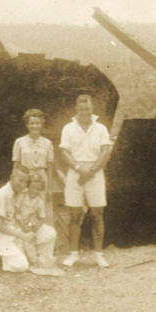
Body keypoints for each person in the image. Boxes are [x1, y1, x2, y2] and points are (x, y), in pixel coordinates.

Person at [59, 94, 112, 268]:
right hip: (76, 172)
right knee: (74, 214)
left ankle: (98, 255)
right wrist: (79, 168)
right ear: (76, 109)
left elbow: (105, 152)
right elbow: (65, 152)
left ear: (92, 109)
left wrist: (92, 170)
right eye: (81, 109)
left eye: (87, 108)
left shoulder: (101, 128)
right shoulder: (68, 128)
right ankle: (73, 254)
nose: (84, 112)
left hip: (95, 172)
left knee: (97, 214)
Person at [0, 166, 57, 272]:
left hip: (23, 231)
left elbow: (35, 213)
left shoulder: (23, 192)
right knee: (21, 266)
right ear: (12, 177)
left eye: (25, 182)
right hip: (9, 236)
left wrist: (31, 227)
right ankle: (4, 259)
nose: (22, 185)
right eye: (20, 180)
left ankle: (38, 258)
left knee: (49, 232)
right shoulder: (2, 195)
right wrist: (23, 235)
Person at [12, 109, 54, 202]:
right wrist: (15, 184)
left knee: (42, 209)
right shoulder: (19, 142)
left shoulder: (48, 143)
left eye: (38, 123)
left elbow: (50, 168)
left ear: (42, 124)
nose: (35, 126)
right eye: (32, 123)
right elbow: (16, 166)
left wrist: (50, 189)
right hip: (25, 179)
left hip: (42, 180)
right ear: (27, 125)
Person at [15, 173, 51, 267]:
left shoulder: (40, 200)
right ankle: (29, 260)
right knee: (21, 242)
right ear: (28, 186)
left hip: (29, 225)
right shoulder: (22, 195)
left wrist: (33, 227)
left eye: (38, 189)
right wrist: (23, 226)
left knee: (31, 238)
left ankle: (35, 260)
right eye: (33, 188)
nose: (35, 191)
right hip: (17, 223)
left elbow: (42, 218)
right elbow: (16, 212)